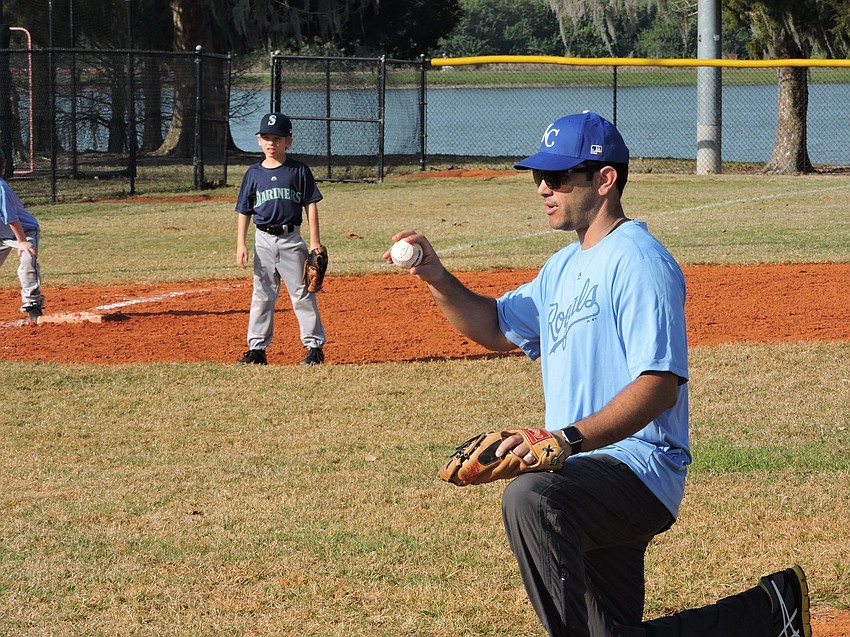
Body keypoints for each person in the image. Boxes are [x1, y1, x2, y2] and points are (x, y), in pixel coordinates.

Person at [385, 111, 810, 637]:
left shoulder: (639, 261)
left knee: (530, 498)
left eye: (559, 176)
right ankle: (770, 613)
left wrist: (565, 439)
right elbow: (495, 326)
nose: (544, 187)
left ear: (604, 179)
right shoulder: (562, 267)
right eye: (539, 176)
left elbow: (659, 386)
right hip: (582, 468)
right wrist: (437, 275)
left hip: (637, 468)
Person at [234, 113, 326, 366]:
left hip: (291, 239)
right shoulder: (253, 173)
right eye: (266, 138)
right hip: (262, 239)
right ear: (259, 141)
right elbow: (244, 210)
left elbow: (311, 205)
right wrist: (241, 244)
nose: (271, 143)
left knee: (302, 294)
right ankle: (257, 350)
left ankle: (314, 347)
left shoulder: (298, 170)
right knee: (262, 295)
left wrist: (315, 241)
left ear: (289, 142)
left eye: (278, 138)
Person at [0, 148, 45, 322]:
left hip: (23, 231)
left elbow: (11, 218)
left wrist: (23, 242)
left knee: (27, 259)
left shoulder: (1, 189)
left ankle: (32, 304)